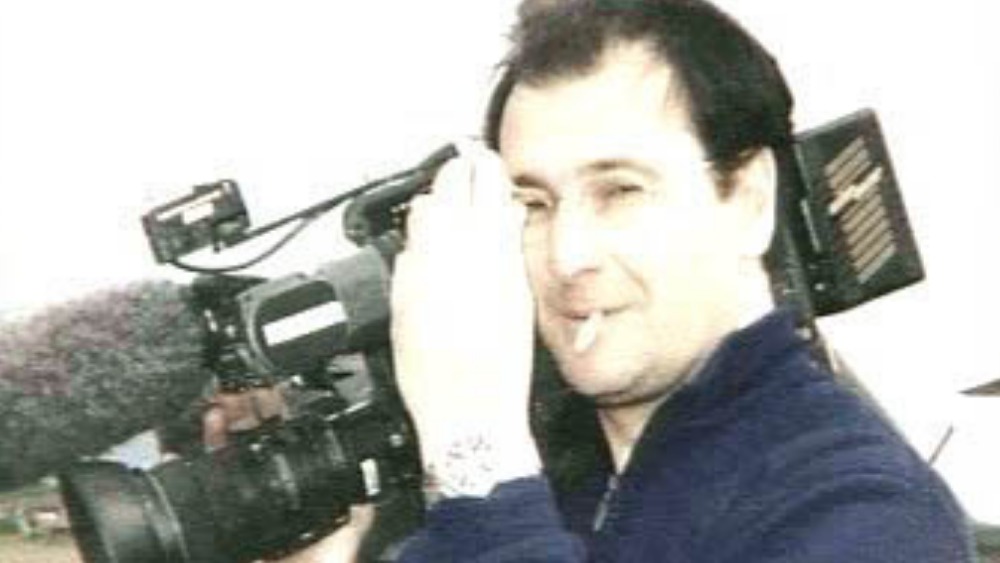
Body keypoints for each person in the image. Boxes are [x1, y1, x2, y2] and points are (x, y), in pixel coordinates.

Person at [213, 0, 975, 560]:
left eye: (620, 191)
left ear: (748, 200)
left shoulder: (866, 510)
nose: (567, 253)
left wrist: (473, 447)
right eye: (533, 204)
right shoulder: (555, 481)